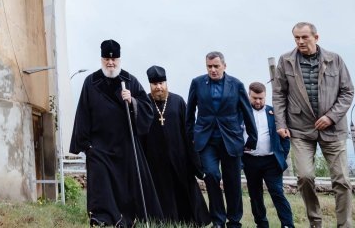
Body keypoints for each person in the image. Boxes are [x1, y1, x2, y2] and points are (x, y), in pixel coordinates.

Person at [70, 39, 163, 227]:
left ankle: (125, 218)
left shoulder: (130, 81)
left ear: (119, 60)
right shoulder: (91, 82)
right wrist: (86, 144)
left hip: (125, 144)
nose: (110, 63)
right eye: (107, 59)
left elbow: (147, 109)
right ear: (102, 59)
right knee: (101, 181)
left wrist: (132, 101)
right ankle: (101, 217)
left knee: (124, 184)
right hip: (99, 144)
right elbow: (83, 112)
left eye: (114, 60)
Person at [272, 21, 354, 228]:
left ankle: (344, 225)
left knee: (342, 180)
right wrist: (280, 123)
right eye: (296, 38)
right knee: (305, 176)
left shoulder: (335, 59)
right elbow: (279, 94)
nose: (300, 41)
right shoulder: (285, 61)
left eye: (304, 37)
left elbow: (347, 92)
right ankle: (315, 222)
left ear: (316, 38)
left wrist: (331, 117)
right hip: (300, 129)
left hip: (333, 129)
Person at [186, 51, 257, 228]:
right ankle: (218, 221)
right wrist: (191, 136)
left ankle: (234, 220)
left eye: (216, 66)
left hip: (231, 139)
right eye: (209, 66)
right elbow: (190, 111)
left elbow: (247, 112)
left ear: (224, 66)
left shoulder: (236, 85)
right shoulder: (197, 83)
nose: (213, 70)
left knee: (232, 181)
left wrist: (252, 138)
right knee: (211, 175)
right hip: (206, 139)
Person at [141, 65, 210, 227]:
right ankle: (163, 221)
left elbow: (188, 132)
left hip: (179, 156)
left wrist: (195, 160)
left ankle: (191, 220)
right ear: (150, 85)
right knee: (161, 191)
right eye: (155, 84)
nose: (159, 87)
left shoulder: (178, 101)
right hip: (154, 158)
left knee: (184, 189)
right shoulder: (144, 102)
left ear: (166, 83)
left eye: (161, 83)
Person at [242, 81, 294, 228]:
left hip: (271, 161)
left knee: (277, 193)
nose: (258, 101)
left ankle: (287, 225)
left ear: (265, 97)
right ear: (249, 96)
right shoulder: (242, 113)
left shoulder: (275, 113)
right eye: (255, 98)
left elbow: (285, 138)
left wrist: (281, 157)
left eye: (261, 98)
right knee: (255, 195)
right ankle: (262, 224)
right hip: (250, 161)